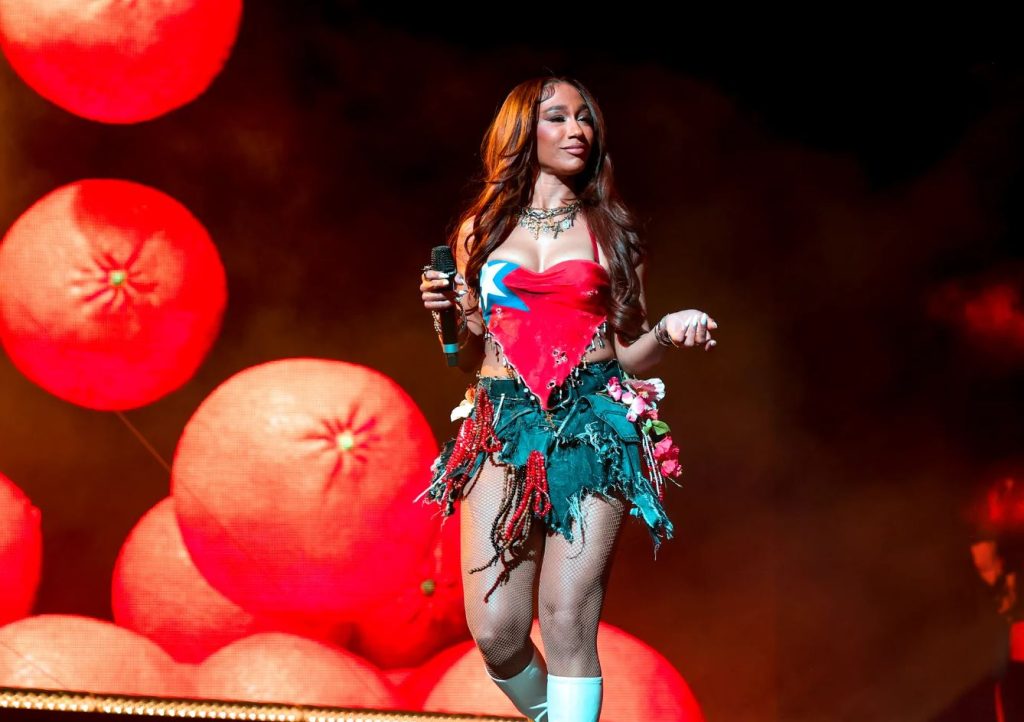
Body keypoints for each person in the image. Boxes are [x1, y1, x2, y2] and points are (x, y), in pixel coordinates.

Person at [418, 76, 717, 722]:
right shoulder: (479, 231)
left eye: (585, 118)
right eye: (557, 117)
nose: (578, 129)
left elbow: (630, 352)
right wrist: (446, 317)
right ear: (522, 131)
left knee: (566, 617)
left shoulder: (614, 233)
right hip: (502, 421)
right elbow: (466, 355)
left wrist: (669, 331)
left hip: (594, 422)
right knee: (497, 632)